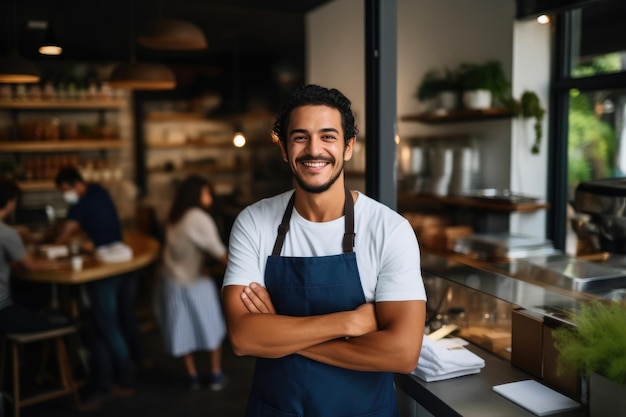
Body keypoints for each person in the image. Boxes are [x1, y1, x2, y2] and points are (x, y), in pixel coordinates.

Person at [222, 84, 427, 417]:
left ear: (348, 147)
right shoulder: (254, 222)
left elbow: (402, 354)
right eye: (300, 137)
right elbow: (243, 337)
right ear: (285, 150)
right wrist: (348, 322)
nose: (313, 149)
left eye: (328, 137)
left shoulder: (389, 230)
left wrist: (279, 329)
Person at [54, 166, 141, 410]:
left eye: (65, 191)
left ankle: (121, 381)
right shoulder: (99, 191)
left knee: (106, 326)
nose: (65, 196)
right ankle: (119, 378)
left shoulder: (81, 203)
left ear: (75, 185)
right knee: (110, 324)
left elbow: (64, 234)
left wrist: (51, 240)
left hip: (106, 271)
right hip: (121, 266)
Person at [155, 175, 228, 390]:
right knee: (212, 327)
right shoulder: (198, 217)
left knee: (181, 330)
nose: (210, 197)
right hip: (195, 281)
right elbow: (221, 254)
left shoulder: (175, 214)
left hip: (171, 280)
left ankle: (192, 376)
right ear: (197, 195)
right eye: (207, 193)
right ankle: (215, 374)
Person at [0, 179, 70, 335]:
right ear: (11, 202)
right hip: (3, 311)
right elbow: (31, 265)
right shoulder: (7, 233)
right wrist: (58, 263)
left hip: (6, 304)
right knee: (61, 318)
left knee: (31, 297)